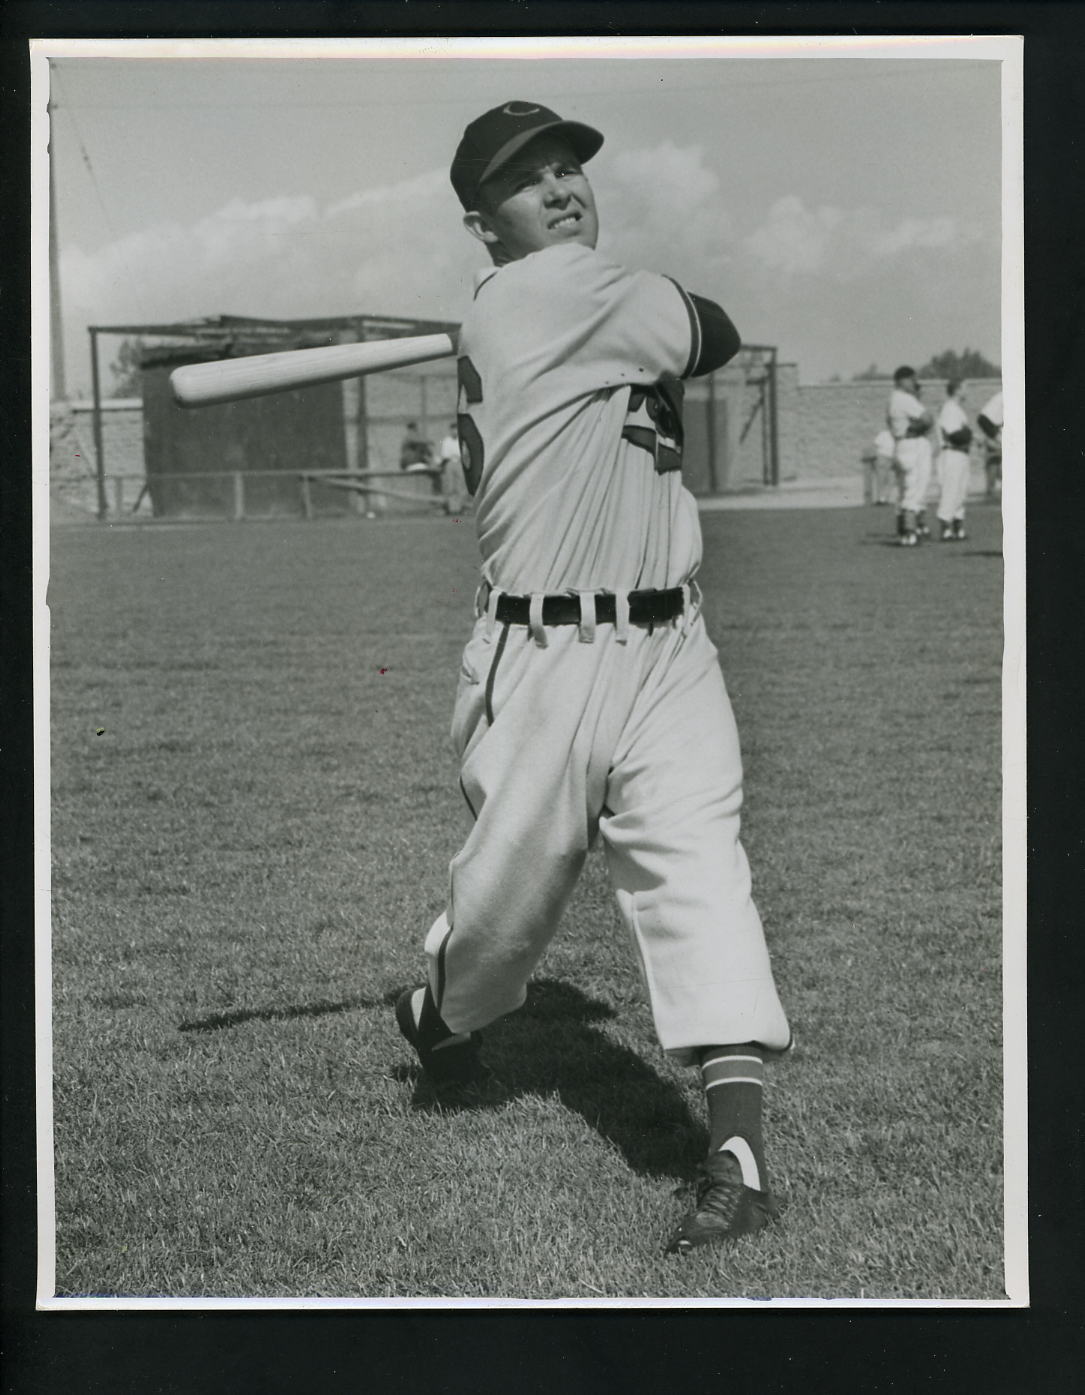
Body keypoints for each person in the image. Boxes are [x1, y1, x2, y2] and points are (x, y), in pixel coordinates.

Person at [393, 100, 792, 1256]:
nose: (562, 188)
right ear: (485, 225)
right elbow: (711, 329)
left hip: (669, 645)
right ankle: (441, 1010)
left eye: (568, 167)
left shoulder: (530, 297)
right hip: (542, 660)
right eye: (528, 182)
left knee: (698, 872)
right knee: (500, 930)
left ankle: (735, 1156)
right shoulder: (558, 291)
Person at [887, 366, 934, 546]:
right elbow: (928, 418)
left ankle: (903, 531)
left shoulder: (892, 399)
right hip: (912, 443)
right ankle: (910, 532)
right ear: (902, 380)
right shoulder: (904, 398)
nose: (914, 383)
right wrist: (916, 427)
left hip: (900, 443)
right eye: (911, 380)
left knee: (903, 489)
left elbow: (889, 423)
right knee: (914, 488)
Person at [935, 380, 973, 540]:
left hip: (961, 454)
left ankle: (958, 528)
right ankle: (946, 528)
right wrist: (969, 433)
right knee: (951, 490)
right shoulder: (950, 408)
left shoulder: (957, 409)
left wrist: (969, 434)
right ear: (957, 390)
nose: (967, 391)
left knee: (961, 491)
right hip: (952, 453)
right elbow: (955, 435)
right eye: (965, 388)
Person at [976, 389, 1003, 501]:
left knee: (997, 457)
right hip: (992, 427)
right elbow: (983, 419)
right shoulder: (1004, 396)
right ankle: (990, 492)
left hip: (994, 426)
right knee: (996, 456)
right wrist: (996, 436)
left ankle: (992, 491)